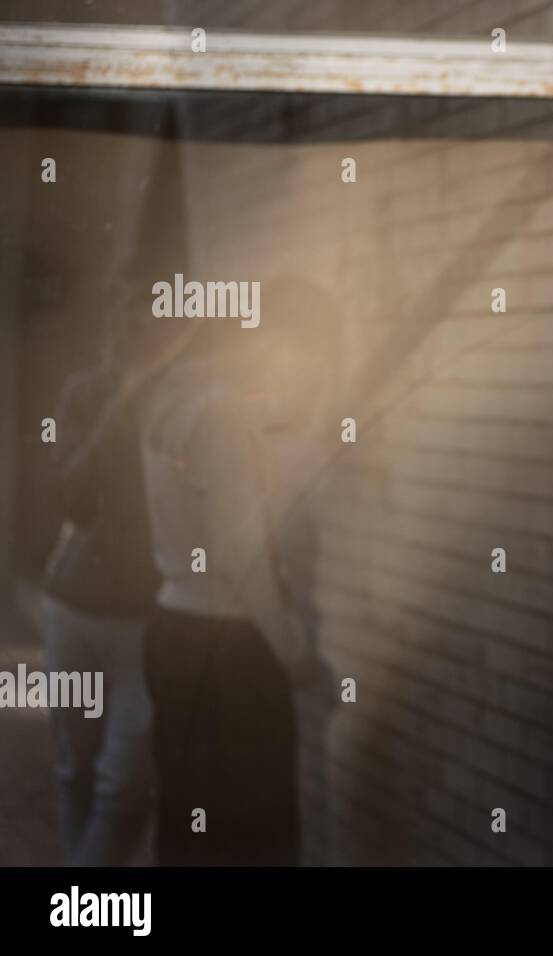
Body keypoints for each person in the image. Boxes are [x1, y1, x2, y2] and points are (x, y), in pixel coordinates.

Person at [138, 276, 338, 866]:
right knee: (255, 839)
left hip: (174, 628)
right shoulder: (223, 416)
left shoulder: (170, 397)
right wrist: (293, 648)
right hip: (229, 650)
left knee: (189, 825)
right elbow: (239, 555)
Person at [39, 318, 163, 866]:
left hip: (148, 617)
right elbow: (74, 496)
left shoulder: (183, 400)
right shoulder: (85, 393)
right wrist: (117, 413)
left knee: (124, 784)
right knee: (77, 769)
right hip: (74, 606)